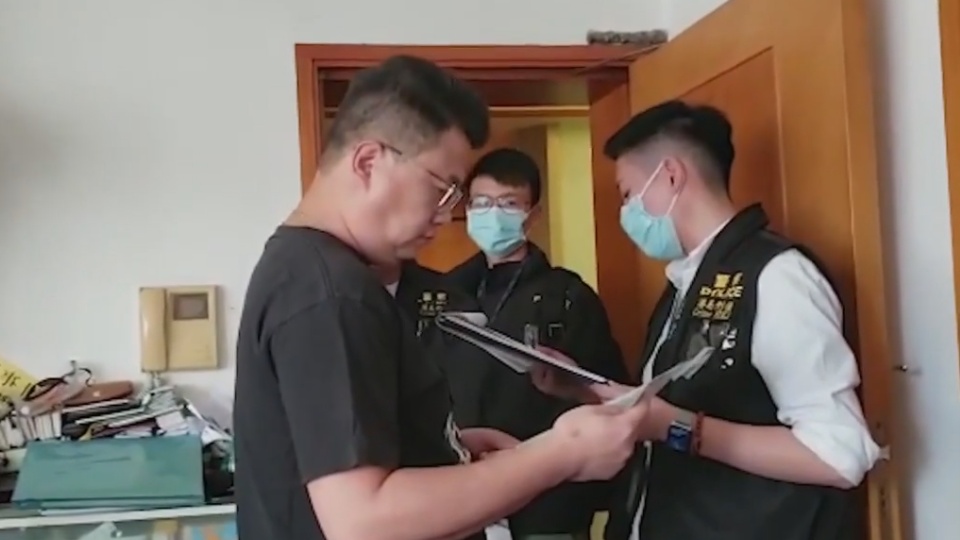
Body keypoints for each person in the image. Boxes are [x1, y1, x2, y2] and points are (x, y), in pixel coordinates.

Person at [231, 54, 652, 540]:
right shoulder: (334, 294)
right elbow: (364, 521)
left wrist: (442, 446)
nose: (444, 214)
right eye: (442, 190)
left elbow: (332, 460)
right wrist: (561, 455)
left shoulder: (302, 267)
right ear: (368, 162)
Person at [532, 100, 881, 540]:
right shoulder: (685, 284)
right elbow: (673, 402)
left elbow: (839, 453)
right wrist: (583, 388)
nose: (626, 213)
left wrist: (681, 429)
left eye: (627, 194)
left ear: (671, 176)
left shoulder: (777, 276)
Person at [445, 148, 630, 540]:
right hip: (461, 496)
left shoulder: (569, 296)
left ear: (533, 215)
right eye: (481, 203)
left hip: (547, 503)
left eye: (508, 204)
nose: (492, 214)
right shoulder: (446, 293)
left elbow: (613, 397)